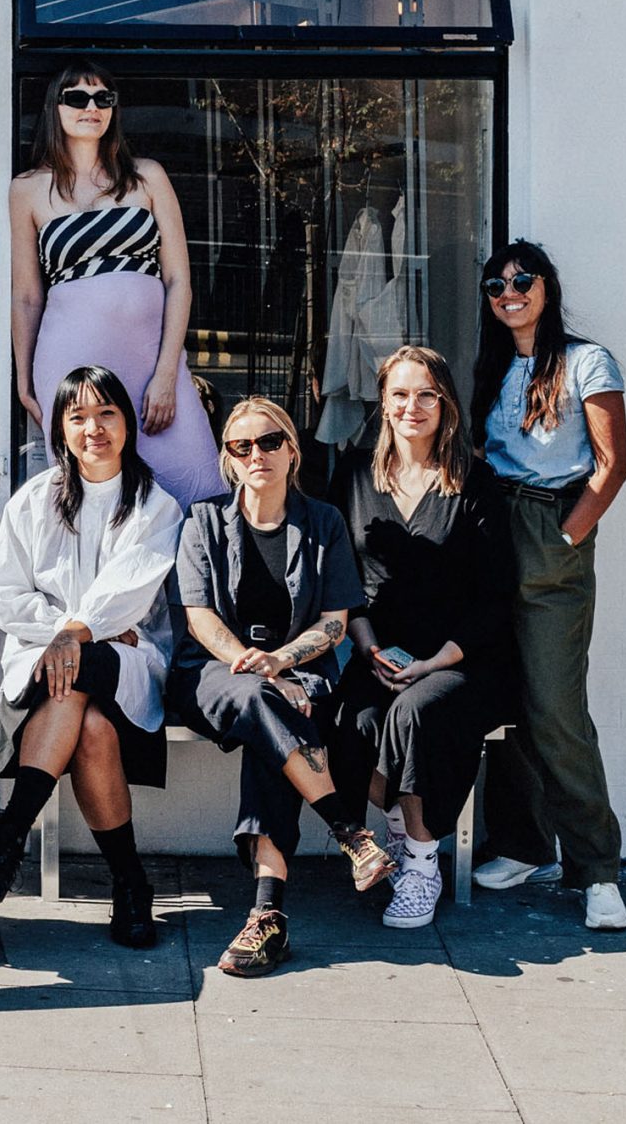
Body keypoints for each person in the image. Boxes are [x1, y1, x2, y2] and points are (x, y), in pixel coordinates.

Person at [171, 397, 397, 976]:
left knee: (267, 728)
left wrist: (282, 662)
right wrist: (253, 664)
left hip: (295, 679)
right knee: (256, 699)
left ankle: (266, 916)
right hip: (212, 678)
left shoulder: (321, 522)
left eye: (269, 442)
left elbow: (333, 623)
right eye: (241, 446)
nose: (256, 455)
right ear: (227, 459)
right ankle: (350, 831)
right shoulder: (201, 522)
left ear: (292, 450)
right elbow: (198, 617)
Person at [0, 365, 182, 942]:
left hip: (127, 666)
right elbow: (8, 598)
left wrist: (75, 633)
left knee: (80, 669)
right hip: (49, 662)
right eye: (77, 416)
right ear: (60, 427)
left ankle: (7, 841)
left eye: (106, 413)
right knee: (92, 732)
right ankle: (131, 884)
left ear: (127, 423)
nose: (93, 429)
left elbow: (130, 590)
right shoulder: (33, 501)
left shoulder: (156, 507)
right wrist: (76, 631)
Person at [468, 242, 626, 933]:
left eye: (523, 280)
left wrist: (566, 538)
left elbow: (612, 466)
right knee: (508, 695)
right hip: (492, 523)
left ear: (546, 286)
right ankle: (527, 846)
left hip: (548, 526)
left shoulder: (586, 360)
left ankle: (597, 868)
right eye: (497, 283)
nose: (510, 291)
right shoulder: (497, 361)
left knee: (556, 708)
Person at [328, 344, 513, 931]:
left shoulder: (475, 482)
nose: (413, 406)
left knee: (414, 712)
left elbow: (495, 597)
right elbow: (343, 583)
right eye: (401, 394)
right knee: (355, 720)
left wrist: (435, 661)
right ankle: (393, 829)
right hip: (380, 652)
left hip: (461, 657)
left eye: (426, 394)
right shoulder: (355, 475)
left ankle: (421, 861)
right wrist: (366, 646)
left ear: (446, 405)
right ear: (383, 402)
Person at [11, 66, 215, 508]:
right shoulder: (26, 190)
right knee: (90, 491)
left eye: (103, 99)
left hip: (150, 359)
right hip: (69, 360)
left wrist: (166, 374)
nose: (91, 108)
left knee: (196, 486)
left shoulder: (148, 177)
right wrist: (24, 377)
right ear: (55, 107)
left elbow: (179, 280)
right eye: (78, 98)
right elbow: (27, 294)